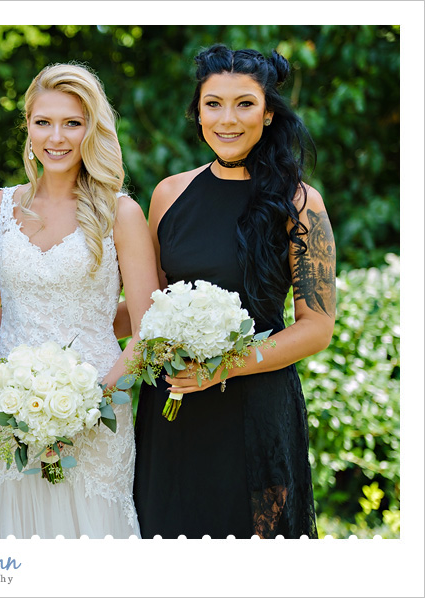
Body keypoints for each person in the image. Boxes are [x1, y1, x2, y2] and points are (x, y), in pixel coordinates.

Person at [132, 44, 335, 539]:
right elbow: (148, 304)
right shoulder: (168, 193)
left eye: (245, 104)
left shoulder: (300, 203)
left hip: (257, 409)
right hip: (173, 404)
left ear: (267, 114)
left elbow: (317, 328)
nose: (228, 119)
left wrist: (222, 368)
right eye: (213, 104)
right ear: (197, 113)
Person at [0, 63, 159, 539]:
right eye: (44, 122)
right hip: (10, 411)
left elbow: (148, 331)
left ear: (91, 130)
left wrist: (89, 403)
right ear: (28, 126)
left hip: (97, 412)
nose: (56, 137)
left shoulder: (121, 213)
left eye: (72, 123)